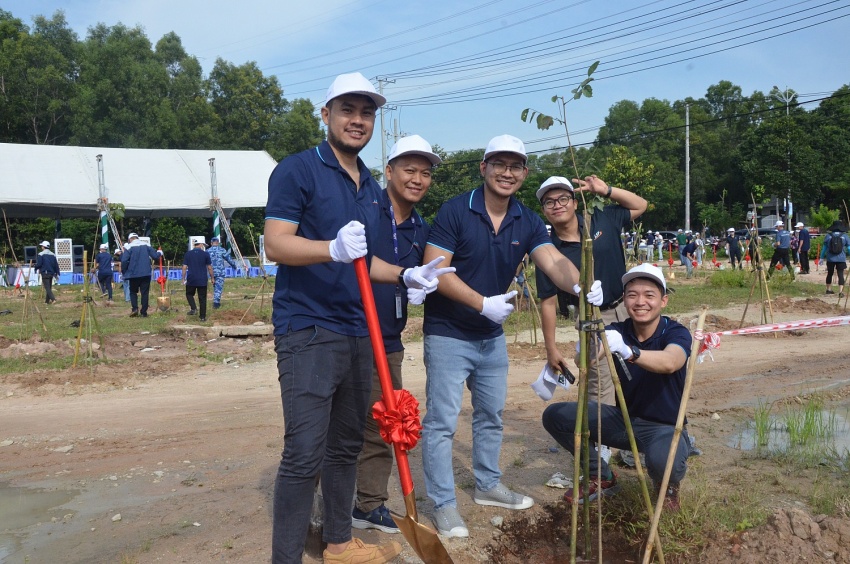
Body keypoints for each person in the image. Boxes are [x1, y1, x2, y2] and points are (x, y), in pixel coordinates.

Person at [263, 72, 451, 564]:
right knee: (304, 450)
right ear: (326, 114)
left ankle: (339, 542)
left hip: (359, 330)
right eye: (348, 110)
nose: (357, 120)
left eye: (366, 113)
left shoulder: (369, 185)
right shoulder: (298, 169)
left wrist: (407, 276)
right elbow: (276, 243)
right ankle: (285, 557)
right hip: (308, 327)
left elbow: (364, 262)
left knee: (346, 444)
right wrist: (330, 248)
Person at [419, 137, 604, 539]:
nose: (507, 172)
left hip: (491, 336)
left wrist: (582, 286)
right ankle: (445, 505)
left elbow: (554, 261)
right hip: (449, 332)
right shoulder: (456, 210)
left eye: (516, 166)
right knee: (441, 423)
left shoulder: (526, 219)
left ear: (524, 173)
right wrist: (481, 303)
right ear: (483, 167)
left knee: (491, 416)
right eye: (500, 164)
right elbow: (434, 269)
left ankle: (487, 485)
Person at [542, 263, 692, 511]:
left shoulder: (675, 332)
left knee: (665, 463)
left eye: (649, 295)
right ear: (624, 300)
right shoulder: (616, 331)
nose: (640, 302)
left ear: (663, 301)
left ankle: (668, 488)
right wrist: (587, 338)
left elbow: (670, 362)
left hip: (665, 427)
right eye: (632, 295)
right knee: (556, 416)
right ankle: (600, 475)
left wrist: (630, 352)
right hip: (625, 421)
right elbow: (585, 362)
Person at [352, 134, 440, 535]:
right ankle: (318, 501)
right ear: (389, 171)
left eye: (424, 173)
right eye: (409, 170)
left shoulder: (420, 227)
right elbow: (355, 262)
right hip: (348, 332)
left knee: (383, 424)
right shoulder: (363, 209)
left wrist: (418, 288)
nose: (417, 179)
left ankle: (368, 505)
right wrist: (402, 275)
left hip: (388, 339)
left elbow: (418, 275)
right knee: (335, 422)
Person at [534, 176, 647, 407]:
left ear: (575, 202)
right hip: (593, 319)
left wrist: (607, 190)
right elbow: (547, 301)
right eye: (549, 202)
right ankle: (601, 440)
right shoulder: (548, 250)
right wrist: (551, 348)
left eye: (563, 198)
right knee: (600, 383)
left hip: (629, 309)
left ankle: (639, 433)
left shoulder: (601, 219)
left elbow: (640, 205)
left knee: (641, 370)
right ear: (544, 210)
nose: (557, 205)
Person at [120, 232, 162, 318]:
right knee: (145, 293)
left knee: (133, 292)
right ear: (137, 238)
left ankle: (135, 309)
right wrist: (160, 252)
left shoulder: (128, 247)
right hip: (146, 273)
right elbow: (155, 256)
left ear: (130, 239)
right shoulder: (146, 245)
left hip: (133, 273)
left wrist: (124, 271)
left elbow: (124, 261)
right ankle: (144, 312)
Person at [182, 239, 214, 322]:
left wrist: (183, 278)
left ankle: (193, 308)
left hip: (191, 279)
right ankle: (202, 317)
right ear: (201, 245)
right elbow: (209, 267)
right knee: (202, 298)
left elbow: (184, 267)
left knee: (189, 294)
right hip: (202, 279)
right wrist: (212, 278)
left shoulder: (188, 254)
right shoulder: (205, 254)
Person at [206, 237, 238, 309]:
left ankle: (215, 300)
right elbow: (229, 259)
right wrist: (234, 266)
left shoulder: (207, 251)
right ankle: (216, 303)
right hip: (220, 272)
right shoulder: (222, 250)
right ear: (218, 243)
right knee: (218, 287)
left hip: (211, 272)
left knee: (215, 286)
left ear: (211, 243)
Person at [821, 221, 850, 298]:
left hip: (830, 258)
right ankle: (840, 292)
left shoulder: (828, 236)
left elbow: (824, 248)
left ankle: (828, 289)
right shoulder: (845, 236)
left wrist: (821, 258)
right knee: (841, 274)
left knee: (829, 273)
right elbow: (849, 248)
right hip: (841, 258)